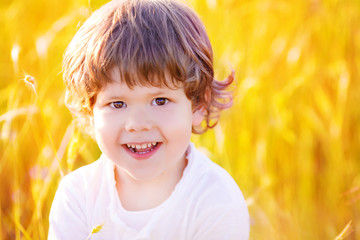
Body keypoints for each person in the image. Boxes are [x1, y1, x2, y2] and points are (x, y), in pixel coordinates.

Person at [48, 0, 249, 239]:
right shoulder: (77, 196)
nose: (137, 124)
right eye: (117, 104)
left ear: (198, 104)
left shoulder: (215, 200)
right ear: (91, 112)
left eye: (160, 101)